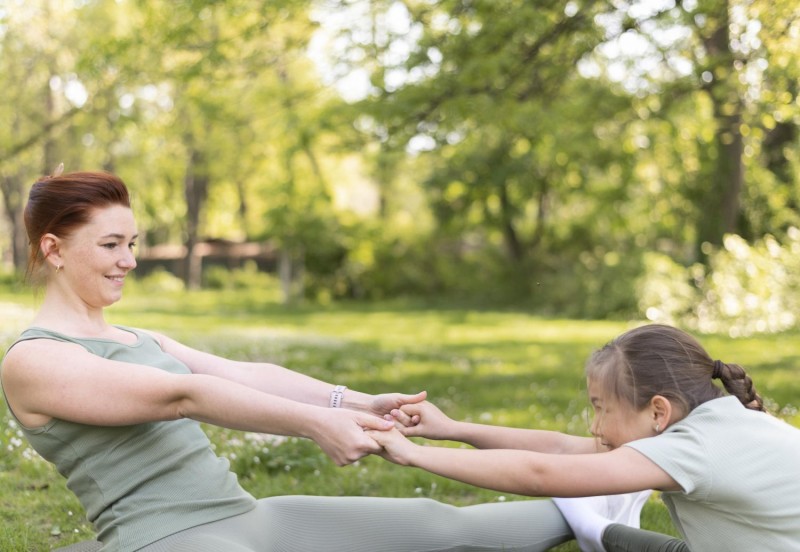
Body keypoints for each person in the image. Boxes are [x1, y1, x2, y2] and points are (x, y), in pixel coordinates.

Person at [1, 169, 647, 552]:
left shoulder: (139, 337)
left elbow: (241, 375)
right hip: (167, 539)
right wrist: (315, 426)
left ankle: (608, 500)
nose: (130, 260)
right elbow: (183, 397)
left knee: (433, 526)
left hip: (243, 517)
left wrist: (355, 404)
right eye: (111, 244)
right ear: (54, 250)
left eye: (133, 243)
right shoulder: (34, 361)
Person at [373, 324, 800, 551]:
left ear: (657, 411)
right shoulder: (719, 422)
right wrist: (451, 430)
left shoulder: (696, 448)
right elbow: (560, 448)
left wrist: (414, 455)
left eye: (601, 408)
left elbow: (542, 473)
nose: (594, 427)